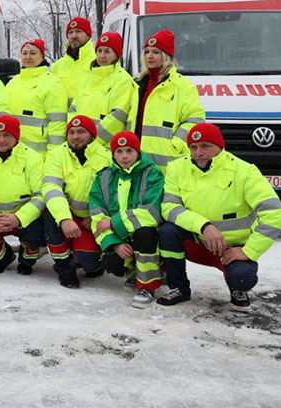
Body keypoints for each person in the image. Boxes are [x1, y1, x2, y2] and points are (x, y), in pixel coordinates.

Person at [156, 123, 281, 312]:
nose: (198, 152)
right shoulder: (177, 168)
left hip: (230, 250)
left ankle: (237, 288)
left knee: (243, 278)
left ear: (220, 146)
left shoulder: (245, 171)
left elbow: (276, 215)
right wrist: (204, 226)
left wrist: (248, 251)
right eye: (193, 147)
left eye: (205, 146)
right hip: (197, 243)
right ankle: (179, 288)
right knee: (167, 231)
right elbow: (169, 208)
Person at [89, 131, 164, 309]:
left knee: (145, 233)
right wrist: (115, 244)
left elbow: (152, 212)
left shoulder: (152, 174)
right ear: (112, 154)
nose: (124, 156)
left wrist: (114, 222)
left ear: (138, 152)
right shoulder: (104, 177)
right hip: (120, 236)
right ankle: (133, 273)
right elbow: (97, 217)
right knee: (111, 264)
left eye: (129, 151)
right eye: (119, 152)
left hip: (147, 233)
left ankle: (147, 286)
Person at [42, 116, 112, 288]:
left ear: (92, 135)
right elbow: (51, 188)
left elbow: (113, 195)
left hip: (91, 219)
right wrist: (65, 218)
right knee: (50, 214)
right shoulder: (56, 155)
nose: (75, 136)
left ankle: (83, 259)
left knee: (90, 265)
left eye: (81, 132)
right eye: (71, 132)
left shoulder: (106, 157)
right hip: (67, 214)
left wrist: (97, 217)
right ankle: (64, 269)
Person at [0, 115, 45, 274]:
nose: (1, 140)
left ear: (16, 137)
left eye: (6, 135)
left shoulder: (33, 158)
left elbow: (40, 195)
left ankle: (27, 260)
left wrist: (19, 218)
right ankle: (4, 257)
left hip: (22, 213)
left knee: (36, 230)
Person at [134, 29, 205, 170]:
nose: (150, 56)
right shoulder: (137, 83)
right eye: (147, 52)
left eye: (156, 52)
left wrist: (176, 144)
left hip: (167, 161)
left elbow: (194, 120)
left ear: (166, 56)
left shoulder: (182, 85)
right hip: (136, 157)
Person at [69, 32, 137, 146]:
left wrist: (91, 140)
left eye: (107, 51)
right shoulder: (86, 79)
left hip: (104, 148)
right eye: (99, 51)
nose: (102, 56)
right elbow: (73, 110)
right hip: (80, 146)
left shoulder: (123, 80)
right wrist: (73, 135)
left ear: (117, 54)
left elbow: (117, 118)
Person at [5, 39, 68, 156]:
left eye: (33, 53)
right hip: (12, 154)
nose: (28, 57)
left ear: (42, 56)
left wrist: (54, 156)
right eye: (24, 53)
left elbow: (57, 124)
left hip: (39, 155)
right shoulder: (12, 83)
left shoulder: (53, 84)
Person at [51, 17, 96, 107]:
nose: (74, 36)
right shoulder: (57, 66)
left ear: (88, 35)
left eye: (79, 31)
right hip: (63, 120)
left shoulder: (97, 62)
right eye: (70, 32)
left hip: (88, 119)